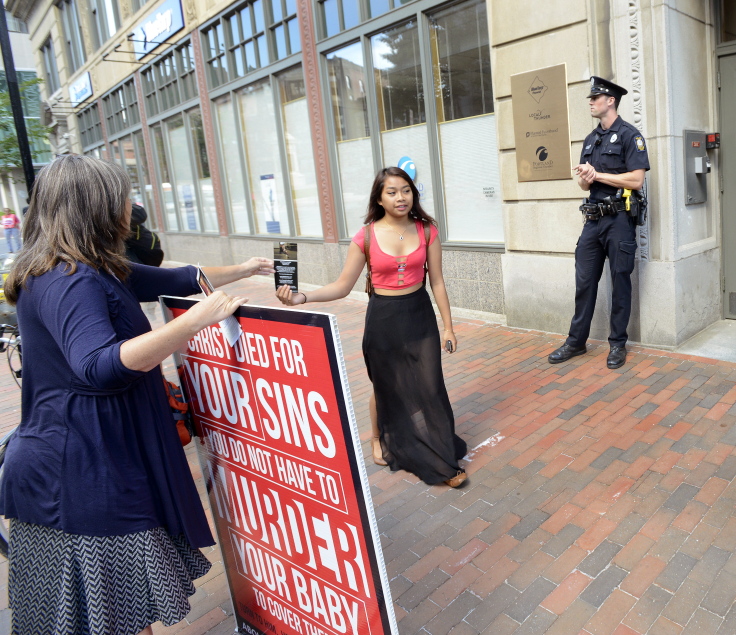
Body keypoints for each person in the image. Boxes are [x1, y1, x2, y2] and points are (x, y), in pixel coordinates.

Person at [0, 154, 275, 635]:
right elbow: (98, 366)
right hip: (82, 474)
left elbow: (176, 277)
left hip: (80, 460)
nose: (129, 206)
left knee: (114, 617)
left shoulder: (85, 267)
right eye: (122, 197)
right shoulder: (71, 280)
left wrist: (247, 267)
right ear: (95, 208)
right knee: (119, 617)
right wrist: (195, 321)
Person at [276, 166, 467, 488]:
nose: (400, 197)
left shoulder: (427, 231)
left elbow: (437, 281)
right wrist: (301, 297)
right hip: (383, 318)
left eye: (405, 190)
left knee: (431, 387)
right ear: (379, 198)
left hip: (419, 315)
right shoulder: (365, 236)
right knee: (386, 385)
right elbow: (341, 286)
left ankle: (442, 454)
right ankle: (378, 438)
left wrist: (448, 327)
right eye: (391, 192)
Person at [547, 76, 650, 369]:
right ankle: (576, 342)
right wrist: (585, 177)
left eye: (595, 98)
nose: (591, 103)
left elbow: (637, 179)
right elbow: (584, 187)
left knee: (620, 283)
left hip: (619, 220)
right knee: (584, 283)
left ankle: (617, 344)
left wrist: (599, 174)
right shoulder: (591, 139)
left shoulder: (631, 136)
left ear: (610, 101)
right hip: (592, 220)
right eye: (591, 99)